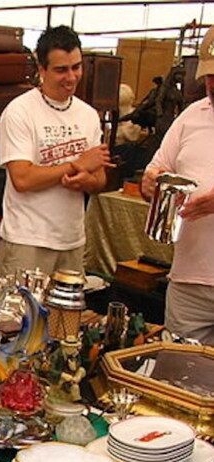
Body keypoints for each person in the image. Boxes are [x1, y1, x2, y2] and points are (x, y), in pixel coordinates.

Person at [0, 25, 111, 277]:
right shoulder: (20, 111)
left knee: (64, 318)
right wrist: (75, 166)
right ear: (41, 69)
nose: (71, 77)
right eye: (61, 70)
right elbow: (22, 179)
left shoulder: (88, 115)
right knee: (18, 317)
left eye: (76, 67)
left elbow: (100, 179)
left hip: (72, 242)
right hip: (27, 240)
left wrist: (85, 180)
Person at [142, 25, 214, 344]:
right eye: (210, 75)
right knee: (177, 380)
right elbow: (158, 168)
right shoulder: (191, 116)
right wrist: (152, 181)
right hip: (189, 281)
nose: (213, 84)